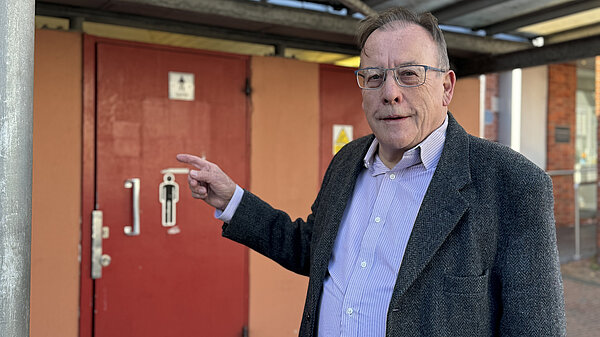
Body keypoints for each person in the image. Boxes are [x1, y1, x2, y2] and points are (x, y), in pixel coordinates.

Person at [177, 7, 566, 337]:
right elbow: (314, 251)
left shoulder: (512, 183)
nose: (390, 92)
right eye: (374, 76)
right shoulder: (348, 161)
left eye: (410, 74)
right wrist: (232, 200)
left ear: (446, 87)